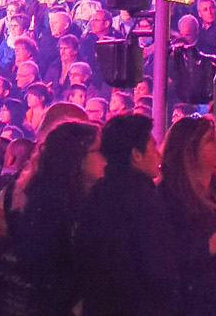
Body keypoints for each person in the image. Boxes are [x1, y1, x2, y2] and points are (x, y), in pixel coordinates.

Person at [73, 114, 175, 316]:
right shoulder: (144, 200)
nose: (158, 155)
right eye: (153, 147)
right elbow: (157, 267)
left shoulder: (96, 193)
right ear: (136, 155)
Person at [159, 116, 216, 315]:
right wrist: (205, 246)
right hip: (192, 304)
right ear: (189, 151)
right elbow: (161, 252)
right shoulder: (168, 198)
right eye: (210, 141)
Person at [15, 122, 103, 316]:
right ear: (77, 156)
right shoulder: (51, 204)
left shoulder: (85, 199)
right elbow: (48, 268)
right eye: (99, 151)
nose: (106, 158)